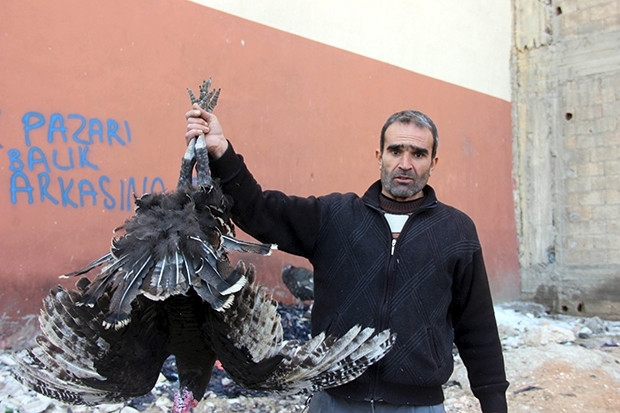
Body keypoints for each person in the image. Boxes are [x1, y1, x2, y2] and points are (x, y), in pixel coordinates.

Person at [185, 106, 509, 413]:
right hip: (334, 401)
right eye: (396, 151)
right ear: (379, 156)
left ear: (433, 162)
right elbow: (258, 210)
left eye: (418, 154)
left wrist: (493, 402)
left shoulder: (456, 230)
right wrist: (221, 151)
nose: (406, 163)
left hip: (418, 405)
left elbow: (476, 325)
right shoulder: (335, 217)